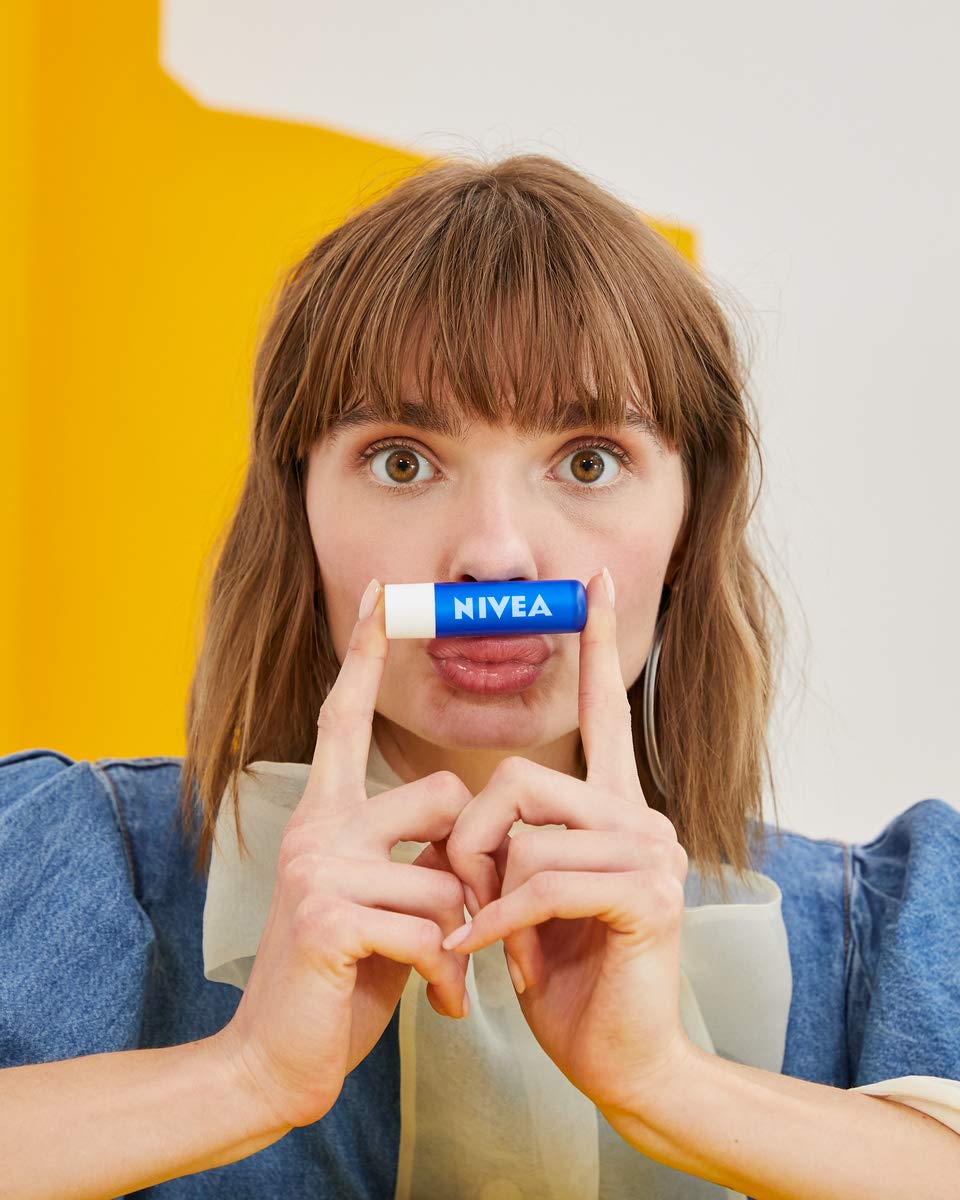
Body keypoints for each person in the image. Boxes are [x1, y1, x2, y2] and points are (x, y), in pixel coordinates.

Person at [2, 153, 959, 1199]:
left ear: (691, 526)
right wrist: (244, 1076)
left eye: (588, 461)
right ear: (299, 514)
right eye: (402, 461)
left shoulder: (892, 932)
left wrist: (671, 1085)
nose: (495, 556)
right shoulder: (67, 862)